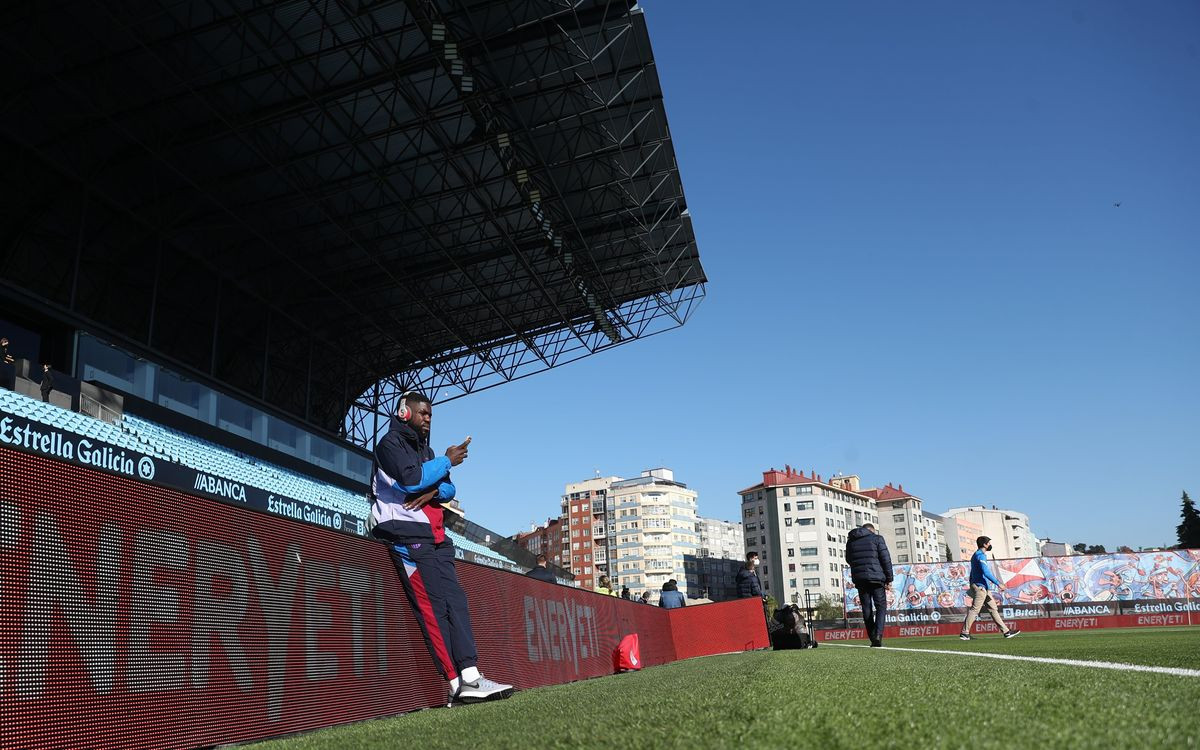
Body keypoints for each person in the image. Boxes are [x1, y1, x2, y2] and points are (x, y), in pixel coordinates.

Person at [370, 391, 513, 705]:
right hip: (406, 534)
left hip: (435, 535)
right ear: (405, 413)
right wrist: (445, 462)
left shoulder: (426, 449)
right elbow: (410, 480)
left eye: (431, 414)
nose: (428, 419)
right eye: (423, 413)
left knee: (456, 603)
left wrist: (433, 485)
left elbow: (449, 488)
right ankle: (455, 686)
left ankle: (472, 675)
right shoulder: (388, 445)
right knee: (434, 610)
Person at [961, 536, 1021, 640]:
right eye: (988, 543)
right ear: (984, 545)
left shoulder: (976, 555)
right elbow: (986, 572)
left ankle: (1006, 632)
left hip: (982, 587)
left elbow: (972, 573)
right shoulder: (980, 555)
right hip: (981, 587)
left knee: (993, 609)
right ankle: (964, 633)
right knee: (975, 610)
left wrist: (972, 584)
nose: (989, 545)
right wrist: (998, 583)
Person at [845, 523, 893, 647]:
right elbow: (885, 559)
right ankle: (878, 635)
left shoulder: (851, 541)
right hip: (876, 578)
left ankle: (872, 637)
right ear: (871, 530)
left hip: (860, 579)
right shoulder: (877, 539)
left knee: (866, 608)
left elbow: (849, 559)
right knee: (881, 606)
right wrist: (889, 578)